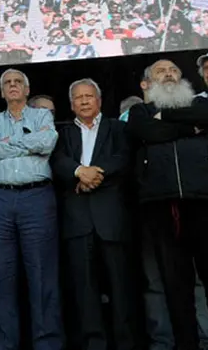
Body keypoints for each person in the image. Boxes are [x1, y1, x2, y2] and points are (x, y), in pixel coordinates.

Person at [126, 60, 208, 350]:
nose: (169, 74)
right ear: (145, 84)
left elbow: (205, 117)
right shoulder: (140, 112)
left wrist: (164, 117)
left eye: (174, 71)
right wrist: (185, 126)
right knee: (176, 286)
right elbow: (148, 132)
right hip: (163, 206)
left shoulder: (202, 103)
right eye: (160, 72)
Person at [50, 79, 137, 350]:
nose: (85, 101)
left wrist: (94, 174)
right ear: (72, 104)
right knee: (84, 291)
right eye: (79, 98)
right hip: (78, 221)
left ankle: (126, 344)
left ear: (99, 101)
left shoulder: (117, 128)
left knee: (121, 289)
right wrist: (78, 172)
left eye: (89, 96)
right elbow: (57, 161)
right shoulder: (62, 133)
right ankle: (93, 344)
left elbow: (123, 158)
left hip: (111, 218)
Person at [0, 69, 61, 350]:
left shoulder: (42, 116)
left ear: (27, 90)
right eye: (8, 83)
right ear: (2, 92)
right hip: (1, 199)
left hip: (36, 198)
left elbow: (48, 141)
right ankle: (4, 345)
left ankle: (47, 344)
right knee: (0, 277)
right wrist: (28, 145)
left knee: (42, 274)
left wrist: (9, 144)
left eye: (18, 82)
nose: (13, 86)